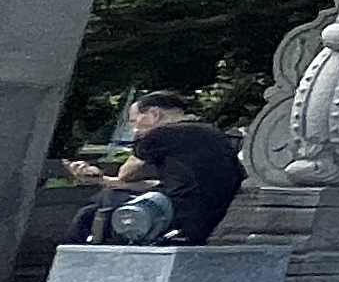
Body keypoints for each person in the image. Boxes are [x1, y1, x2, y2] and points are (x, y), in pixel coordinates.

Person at [62, 90, 248, 247]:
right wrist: (102, 180)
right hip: (204, 221)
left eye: (134, 121)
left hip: (172, 217)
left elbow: (125, 174)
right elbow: (161, 185)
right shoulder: (213, 134)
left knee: (94, 208)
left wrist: (140, 142)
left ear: (154, 114)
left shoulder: (162, 134)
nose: (134, 129)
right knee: (110, 196)